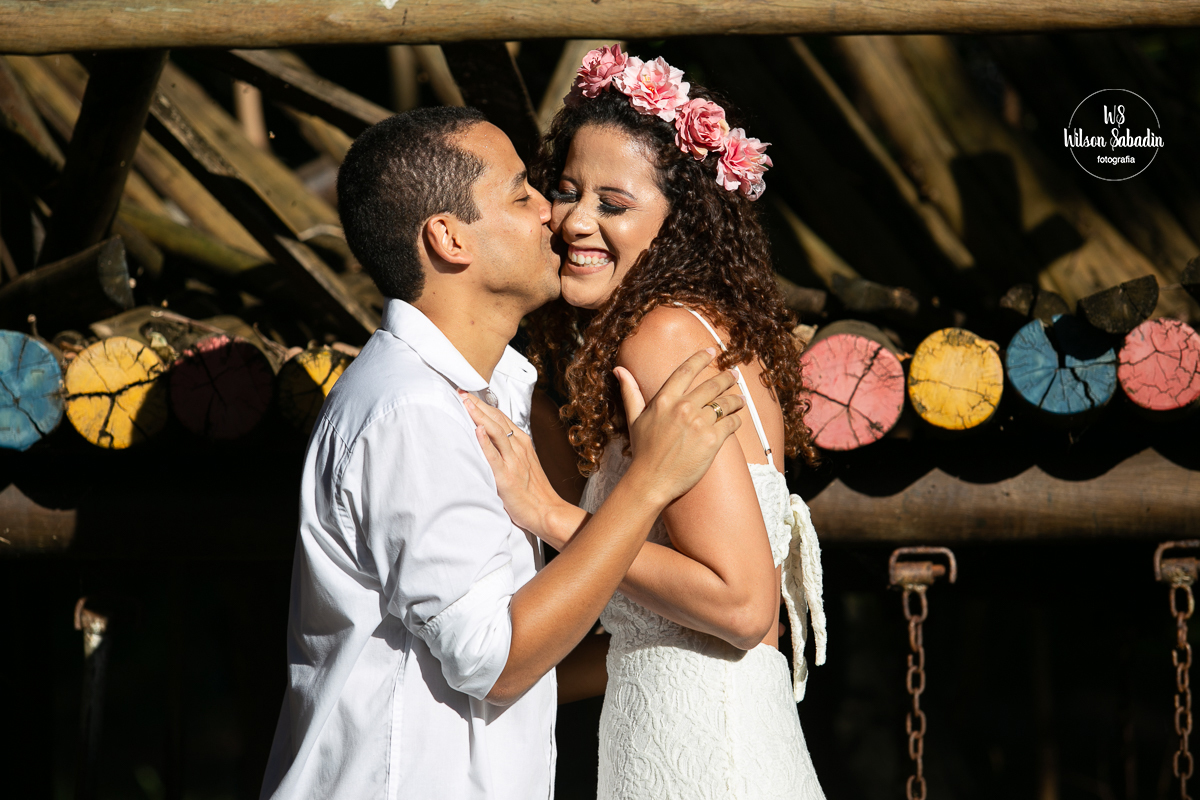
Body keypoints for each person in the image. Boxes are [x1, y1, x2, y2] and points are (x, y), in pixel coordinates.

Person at [259, 106, 749, 800]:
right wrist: (648, 484)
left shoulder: (495, 393)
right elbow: (496, 662)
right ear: (449, 237)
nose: (553, 214)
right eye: (522, 194)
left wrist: (668, 647)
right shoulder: (413, 413)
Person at [466, 46, 829, 799]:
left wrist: (553, 516)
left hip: (707, 758)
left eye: (614, 204)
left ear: (678, 221)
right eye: (565, 191)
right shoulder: (699, 332)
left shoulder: (663, 337)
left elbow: (740, 602)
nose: (574, 221)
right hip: (687, 736)